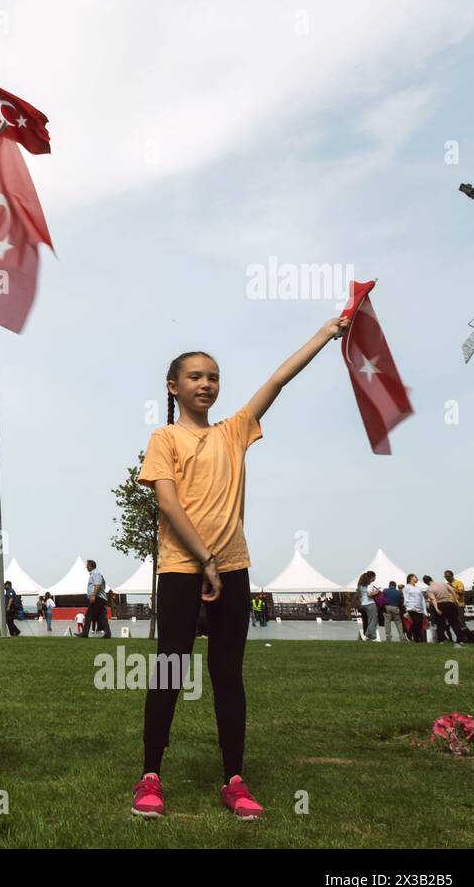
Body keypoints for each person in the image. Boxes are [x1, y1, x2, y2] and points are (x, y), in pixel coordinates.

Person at [131, 313, 349, 822]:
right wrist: (203, 560)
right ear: (173, 386)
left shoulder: (234, 432)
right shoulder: (165, 439)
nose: (206, 384)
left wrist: (325, 332)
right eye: (195, 376)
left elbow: (278, 378)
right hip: (184, 570)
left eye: (213, 376)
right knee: (170, 669)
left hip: (234, 569)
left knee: (228, 674)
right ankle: (150, 777)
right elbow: (167, 503)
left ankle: (234, 779)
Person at [80, 560, 110, 638]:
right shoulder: (93, 574)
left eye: (87, 565)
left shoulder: (96, 573)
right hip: (99, 598)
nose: (86, 567)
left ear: (91, 566)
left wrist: (93, 595)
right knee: (102, 616)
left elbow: (97, 585)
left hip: (98, 598)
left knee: (88, 615)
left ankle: (84, 633)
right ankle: (108, 633)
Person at [402, 574, 427, 643]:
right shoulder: (407, 587)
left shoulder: (418, 588)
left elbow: (422, 599)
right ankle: (408, 633)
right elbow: (406, 599)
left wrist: (424, 610)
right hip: (412, 608)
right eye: (415, 577)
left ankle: (416, 639)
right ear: (411, 578)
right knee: (416, 623)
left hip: (420, 609)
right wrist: (409, 608)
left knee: (419, 624)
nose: (417, 578)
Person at [355, 571, 378, 641]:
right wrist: (376, 592)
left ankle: (371, 635)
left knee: (369, 620)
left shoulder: (360, 586)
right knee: (373, 620)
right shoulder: (370, 585)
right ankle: (369, 634)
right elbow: (369, 594)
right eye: (374, 576)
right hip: (370, 603)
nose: (375, 578)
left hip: (364, 605)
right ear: (371, 577)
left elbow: (359, 596)